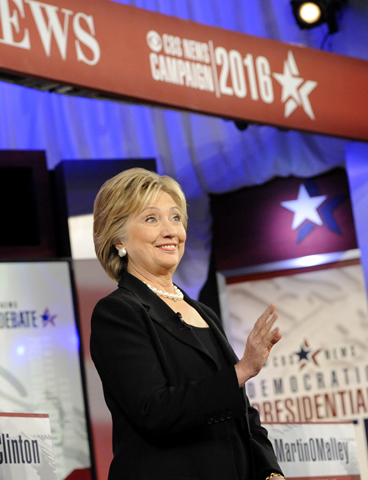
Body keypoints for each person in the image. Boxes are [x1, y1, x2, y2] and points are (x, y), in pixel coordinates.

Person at [90, 168, 285, 480]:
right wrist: (241, 370)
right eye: (152, 219)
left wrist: (270, 472)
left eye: (175, 218)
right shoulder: (117, 313)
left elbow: (241, 412)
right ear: (117, 240)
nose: (171, 231)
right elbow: (155, 411)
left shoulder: (203, 312)